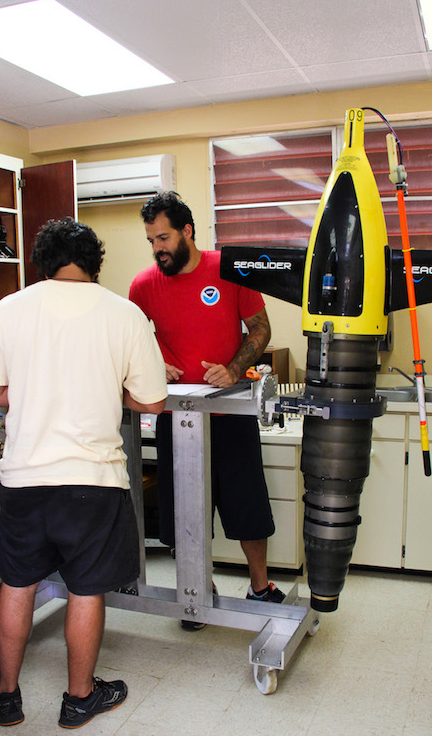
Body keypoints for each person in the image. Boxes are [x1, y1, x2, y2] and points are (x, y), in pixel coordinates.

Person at [0, 217, 167, 729]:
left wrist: (34, 388)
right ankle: (80, 698)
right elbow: (151, 400)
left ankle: (7, 695)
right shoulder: (124, 314)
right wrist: (105, 388)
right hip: (92, 479)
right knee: (85, 589)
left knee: (16, 584)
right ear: (95, 263)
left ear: (44, 262)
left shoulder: (10, 308)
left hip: (25, 476)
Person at [129, 191, 284, 630]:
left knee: (247, 504)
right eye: (151, 241)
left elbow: (260, 328)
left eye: (163, 238)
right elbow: (135, 338)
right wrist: (154, 360)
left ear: (187, 231)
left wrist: (234, 367)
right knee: (182, 512)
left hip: (229, 413)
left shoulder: (229, 269)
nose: (158, 248)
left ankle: (260, 586)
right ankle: (198, 588)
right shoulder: (143, 286)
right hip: (176, 417)